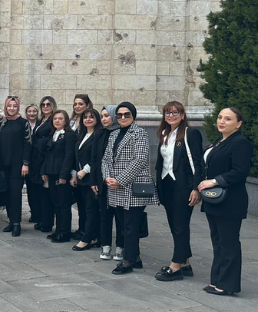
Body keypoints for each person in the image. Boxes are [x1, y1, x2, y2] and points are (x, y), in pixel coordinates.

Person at [198, 107, 253, 295]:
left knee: (228, 243)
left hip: (230, 201)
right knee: (218, 241)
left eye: (228, 119)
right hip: (215, 201)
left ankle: (227, 285)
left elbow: (240, 171)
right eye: (220, 117)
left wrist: (213, 181)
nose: (222, 121)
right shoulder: (220, 141)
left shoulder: (240, 142)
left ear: (238, 124)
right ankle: (217, 281)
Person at [103, 102, 158, 275]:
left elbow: (140, 160)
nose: (123, 118)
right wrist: (107, 178)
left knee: (130, 225)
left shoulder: (139, 133)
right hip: (115, 187)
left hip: (132, 187)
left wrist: (119, 180)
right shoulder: (114, 134)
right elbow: (105, 159)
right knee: (123, 224)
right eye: (119, 115)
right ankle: (136, 258)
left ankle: (127, 261)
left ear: (133, 116)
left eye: (127, 114)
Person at [154, 101, 204, 281]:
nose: (171, 115)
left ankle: (175, 266)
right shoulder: (164, 134)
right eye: (167, 112)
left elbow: (198, 163)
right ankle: (185, 263)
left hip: (183, 186)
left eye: (175, 112)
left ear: (182, 115)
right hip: (167, 186)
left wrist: (195, 188)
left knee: (181, 225)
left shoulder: (191, 133)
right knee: (175, 225)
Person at [92, 105, 124, 260]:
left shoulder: (120, 133)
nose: (104, 119)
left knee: (119, 217)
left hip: (117, 182)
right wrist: (95, 180)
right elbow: (95, 159)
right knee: (104, 215)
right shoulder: (99, 134)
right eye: (102, 116)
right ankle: (105, 246)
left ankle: (120, 247)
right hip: (103, 181)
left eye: (107, 116)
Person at [40, 109, 76, 243]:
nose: (57, 121)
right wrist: (44, 171)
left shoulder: (69, 135)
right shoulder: (53, 134)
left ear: (65, 120)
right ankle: (58, 230)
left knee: (64, 204)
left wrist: (64, 175)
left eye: (60, 119)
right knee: (56, 203)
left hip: (62, 174)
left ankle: (65, 232)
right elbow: (47, 155)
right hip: (52, 172)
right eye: (55, 119)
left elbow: (68, 156)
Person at [0, 97, 31, 237]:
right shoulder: (3, 122)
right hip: (3, 163)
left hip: (17, 164)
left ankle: (17, 223)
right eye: (9, 106)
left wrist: (25, 163)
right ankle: (11, 221)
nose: (11, 108)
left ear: (18, 107)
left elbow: (28, 143)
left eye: (14, 106)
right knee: (6, 194)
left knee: (15, 194)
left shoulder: (24, 123)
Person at [72, 108, 103, 250]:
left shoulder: (99, 135)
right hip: (80, 178)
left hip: (91, 178)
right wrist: (75, 174)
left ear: (97, 119)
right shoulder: (82, 135)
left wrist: (85, 170)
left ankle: (87, 238)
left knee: (91, 209)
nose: (88, 119)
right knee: (84, 208)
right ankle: (95, 236)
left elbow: (98, 157)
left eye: (91, 117)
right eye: (85, 117)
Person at [30, 96, 56, 233]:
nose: (45, 106)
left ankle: (47, 222)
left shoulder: (53, 120)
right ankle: (41, 219)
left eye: (48, 104)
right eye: (43, 104)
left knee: (46, 192)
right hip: (36, 158)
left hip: (44, 157)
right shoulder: (41, 120)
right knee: (39, 192)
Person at [69, 94, 93, 239]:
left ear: (87, 105)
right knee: (80, 202)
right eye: (75, 104)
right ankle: (81, 228)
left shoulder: (89, 124)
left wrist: (84, 170)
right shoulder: (72, 121)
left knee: (88, 204)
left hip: (86, 170)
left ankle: (88, 231)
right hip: (75, 165)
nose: (77, 106)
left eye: (80, 104)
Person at [24, 103, 40, 222]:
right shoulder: (24, 124)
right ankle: (33, 212)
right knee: (30, 189)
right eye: (29, 111)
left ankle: (39, 212)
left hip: (38, 160)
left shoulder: (41, 125)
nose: (32, 113)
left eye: (34, 111)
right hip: (26, 160)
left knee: (38, 188)